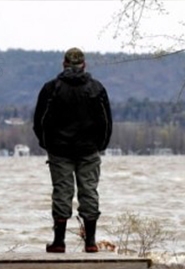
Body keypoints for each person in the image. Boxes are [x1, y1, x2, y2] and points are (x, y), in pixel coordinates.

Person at [33, 47, 112, 253]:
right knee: (89, 193)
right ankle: (91, 242)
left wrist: (46, 143)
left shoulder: (51, 88)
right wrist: (100, 145)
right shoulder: (96, 88)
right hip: (88, 150)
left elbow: (39, 121)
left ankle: (59, 242)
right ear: (84, 65)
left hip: (59, 151)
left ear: (64, 64)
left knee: (61, 193)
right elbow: (106, 122)